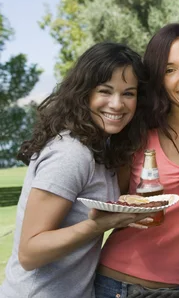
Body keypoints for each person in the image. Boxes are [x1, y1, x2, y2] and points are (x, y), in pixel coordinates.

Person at [0, 43, 150, 298]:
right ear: (84, 93)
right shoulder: (71, 153)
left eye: (128, 93)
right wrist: (97, 226)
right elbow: (29, 252)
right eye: (105, 91)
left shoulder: (102, 146)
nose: (117, 104)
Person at [95, 24, 179, 296]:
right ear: (158, 79)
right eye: (169, 70)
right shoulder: (137, 132)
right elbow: (113, 201)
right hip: (122, 284)